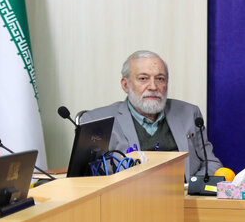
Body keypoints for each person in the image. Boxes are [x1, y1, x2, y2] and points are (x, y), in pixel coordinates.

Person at [81, 50, 221, 181]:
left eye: (160, 79)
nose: (153, 87)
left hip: (183, 195)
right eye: (143, 78)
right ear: (125, 85)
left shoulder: (189, 114)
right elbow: (86, 177)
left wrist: (192, 187)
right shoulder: (97, 121)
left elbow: (212, 163)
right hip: (127, 197)